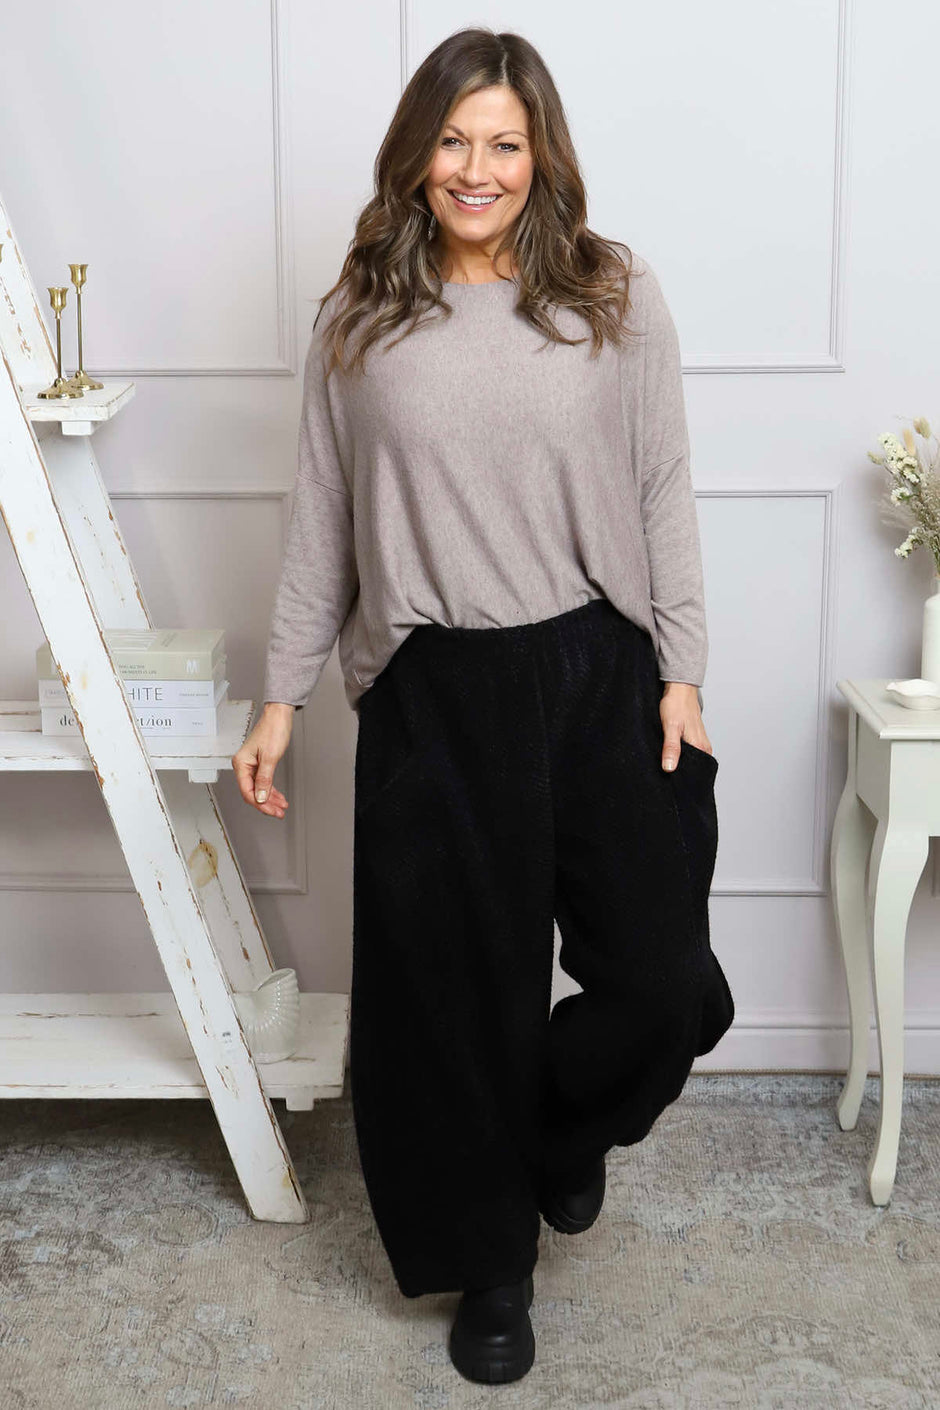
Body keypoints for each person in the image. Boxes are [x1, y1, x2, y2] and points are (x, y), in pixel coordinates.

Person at [232, 25, 734, 1387]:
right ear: (416, 153)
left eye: (505, 143)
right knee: (456, 1001)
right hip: (434, 688)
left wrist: (681, 669)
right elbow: (321, 519)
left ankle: (560, 1136)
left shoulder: (614, 294)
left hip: (596, 668)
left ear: (541, 154)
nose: (477, 168)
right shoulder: (361, 317)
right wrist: (281, 694)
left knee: (666, 985)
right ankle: (492, 1262)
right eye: (453, 139)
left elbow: (663, 487)